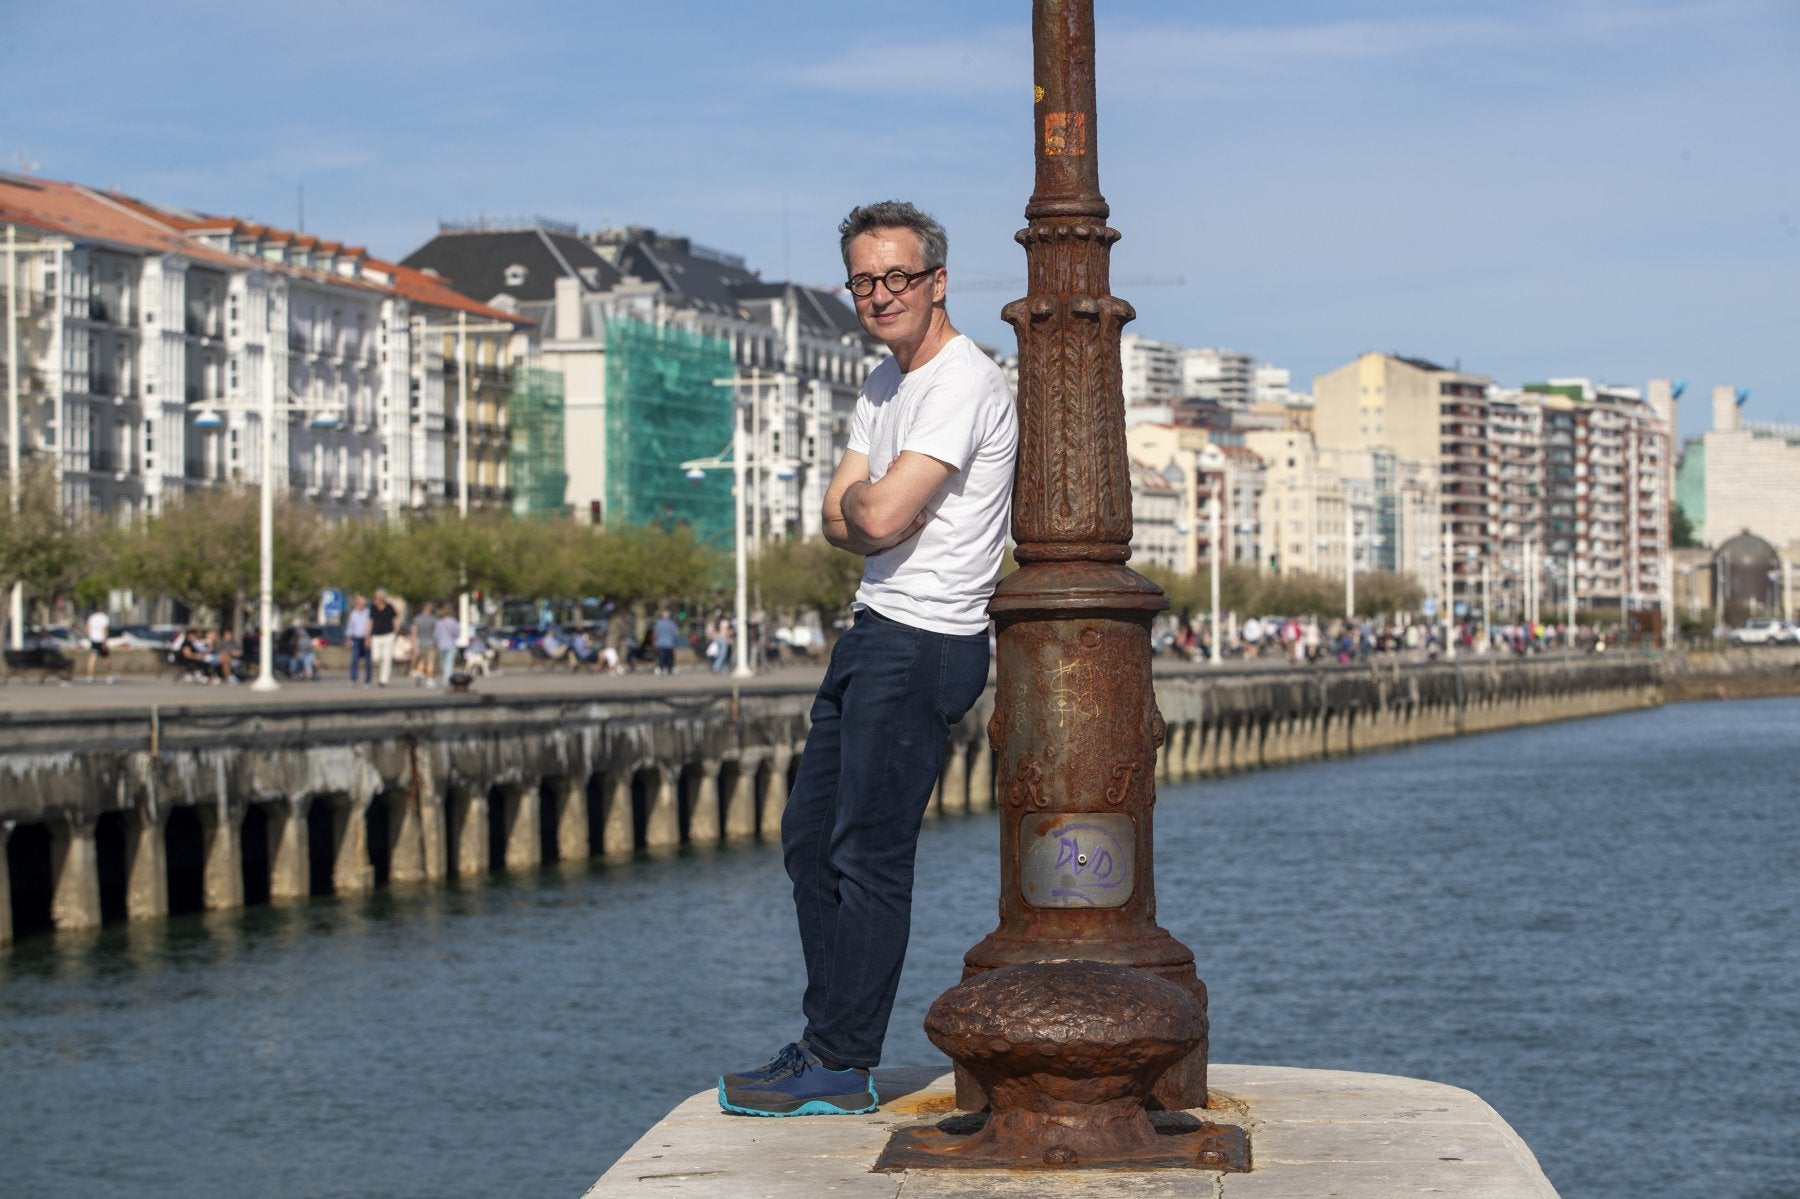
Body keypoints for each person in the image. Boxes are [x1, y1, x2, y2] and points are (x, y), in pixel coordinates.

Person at [717, 201, 1017, 1119]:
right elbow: (836, 513)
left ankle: (844, 1062)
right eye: (863, 280)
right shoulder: (881, 385)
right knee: (809, 840)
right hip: (873, 626)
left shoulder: (962, 383)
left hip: (927, 637)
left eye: (897, 277)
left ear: (937, 282)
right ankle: (825, 1041)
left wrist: (872, 505)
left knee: (870, 853)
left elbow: (874, 517)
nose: (879, 295)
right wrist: (869, 506)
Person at [369, 590, 399, 687]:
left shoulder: (389, 608)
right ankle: (380, 672)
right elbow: (370, 621)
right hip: (376, 635)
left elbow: (396, 619)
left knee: (387, 658)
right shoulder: (373, 608)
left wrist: (395, 631)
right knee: (376, 657)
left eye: (378, 597)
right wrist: (368, 634)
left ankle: (383, 680)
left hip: (388, 635)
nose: (376, 599)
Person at [346, 594, 372, 686]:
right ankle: (353, 679)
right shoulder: (353, 613)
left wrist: (369, 638)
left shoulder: (368, 613)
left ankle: (367, 680)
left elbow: (371, 625)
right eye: (359, 603)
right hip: (356, 638)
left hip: (366, 638)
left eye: (363, 603)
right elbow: (350, 627)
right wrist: (348, 639)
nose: (361, 605)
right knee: (354, 658)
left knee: (368, 660)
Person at [412, 601, 439, 688]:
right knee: (430, 662)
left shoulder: (417, 618)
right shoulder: (433, 619)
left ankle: (419, 674)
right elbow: (436, 632)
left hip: (420, 642)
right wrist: (437, 643)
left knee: (421, 661)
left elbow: (414, 632)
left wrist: (414, 644)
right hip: (431, 643)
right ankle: (429, 680)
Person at [84, 607, 113, 684]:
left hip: (93, 640)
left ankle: (90, 676)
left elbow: (87, 628)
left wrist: (90, 636)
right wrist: (105, 641)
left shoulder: (92, 617)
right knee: (105, 658)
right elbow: (105, 630)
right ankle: (108, 676)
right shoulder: (104, 618)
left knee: (92, 658)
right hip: (101, 640)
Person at [433, 603, 460, 683]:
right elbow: (457, 633)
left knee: (443, 663)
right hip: (451, 644)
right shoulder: (454, 622)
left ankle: (446, 678)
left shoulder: (439, 622)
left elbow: (436, 635)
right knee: (449, 662)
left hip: (441, 645)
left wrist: (436, 643)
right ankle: (447, 679)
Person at [651, 608, 680, 676]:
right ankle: (669, 669)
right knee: (669, 658)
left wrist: (654, 642)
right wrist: (675, 642)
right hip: (668, 643)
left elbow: (655, 634)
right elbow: (676, 633)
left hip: (661, 643)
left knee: (662, 658)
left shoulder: (658, 623)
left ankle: (662, 669)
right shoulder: (672, 623)